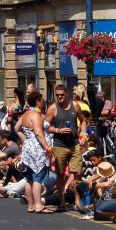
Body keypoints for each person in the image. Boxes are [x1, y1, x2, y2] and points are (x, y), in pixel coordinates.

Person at [45, 83, 87, 211]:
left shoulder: (75, 105)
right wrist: (58, 130)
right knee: (60, 174)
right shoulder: (53, 108)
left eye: (61, 95)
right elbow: (45, 126)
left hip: (74, 144)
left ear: (67, 94)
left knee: (77, 173)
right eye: (57, 95)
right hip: (59, 145)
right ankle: (62, 201)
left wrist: (84, 136)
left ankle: (76, 200)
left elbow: (83, 120)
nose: (59, 97)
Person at [15, 90, 53, 213]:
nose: (43, 103)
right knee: (38, 177)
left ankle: (30, 205)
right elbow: (38, 132)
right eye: (42, 101)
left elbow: (17, 128)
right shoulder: (35, 115)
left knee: (30, 177)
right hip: (37, 148)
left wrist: (26, 140)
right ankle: (38, 205)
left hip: (28, 147)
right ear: (37, 101)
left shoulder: (26, 114)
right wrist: (47, 147)